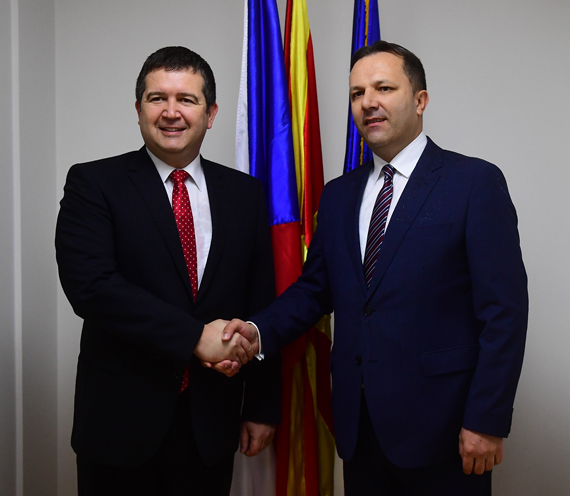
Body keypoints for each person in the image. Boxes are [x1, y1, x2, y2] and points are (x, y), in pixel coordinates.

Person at [218, 41, 529, 495]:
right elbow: (315, 290)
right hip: (359, 429)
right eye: (357, 93)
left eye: (384, 88)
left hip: (446, 430)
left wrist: (487, 419)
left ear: (420, 100)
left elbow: (504, 313)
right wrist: (255, 331)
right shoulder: (339, 195)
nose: (368, 102)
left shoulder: (474, 183)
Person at [55, 46, 279, 496]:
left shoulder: (246, 195)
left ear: (211, 114)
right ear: (138, 109)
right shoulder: (93, 184)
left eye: (187, 100)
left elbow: (260, 302)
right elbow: (91, 288)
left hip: (211, 423)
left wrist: (260, 406)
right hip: (120, 425)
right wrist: (194, 337)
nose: (171, 112)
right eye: (157, 98)